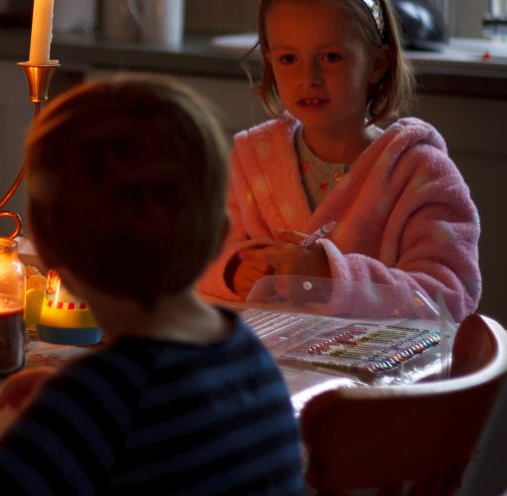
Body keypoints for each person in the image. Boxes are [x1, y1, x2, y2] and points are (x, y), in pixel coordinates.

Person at [0, 77, 304, 496]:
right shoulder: (247, 355)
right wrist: (69, 401)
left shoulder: (102, 401)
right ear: (220, 234)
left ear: (49, 252)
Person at [197, 0, 481, 319]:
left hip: (380, 366)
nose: (309, 77)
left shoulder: (420, 173)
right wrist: (234, 270)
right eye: (289, 58)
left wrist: (331, 279)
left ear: (378, 64)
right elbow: (198, 257)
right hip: (270, 362)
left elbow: (451, 297)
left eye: (331, 57)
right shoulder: (249, 163)